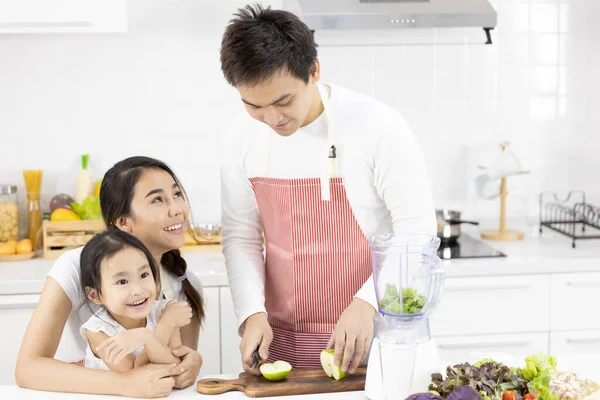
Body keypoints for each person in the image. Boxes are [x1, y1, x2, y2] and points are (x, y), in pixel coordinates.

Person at [219, 4, 436, 376]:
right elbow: (240, 236)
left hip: (376, 337)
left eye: (283, 101)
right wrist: (251, 313)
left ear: (314, 70)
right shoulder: (241, 138)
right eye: (254, 105)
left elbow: (417, 230)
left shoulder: (378, 127)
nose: (272, 119)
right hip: (283, 341)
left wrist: (368, 303)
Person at [16, 156, 204, 398]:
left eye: (177, 195)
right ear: (123, 222)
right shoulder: (75, 267)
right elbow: (27, 369)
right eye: (157, 199)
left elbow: (170, 371)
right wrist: (125, 383)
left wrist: (191, 364)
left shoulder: (184, 283)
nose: (177, 209)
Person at [79, 229, 191, 371]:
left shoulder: (164, 311)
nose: (138, 290)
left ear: (156, 280)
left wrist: (161, 326)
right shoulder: (98, 331)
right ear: (95, 295)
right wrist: (157, 330)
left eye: (144, 275)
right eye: (122, 282)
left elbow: (175, 366)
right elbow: (137, 376)